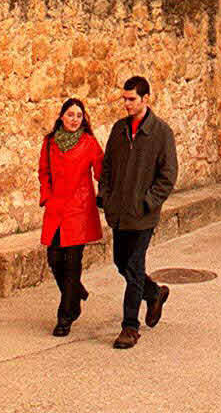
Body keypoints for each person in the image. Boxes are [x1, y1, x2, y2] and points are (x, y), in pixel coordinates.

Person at [98, 75, 178, 349]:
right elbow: (107, 168)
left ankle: (130, 327)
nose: (127, 104)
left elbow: (168, 176)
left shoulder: (161, 133)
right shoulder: (119, 130)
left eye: (132, 99)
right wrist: (107, 198)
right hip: (119, 213)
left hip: (143, 215)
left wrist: (147, 202)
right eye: (125, 99)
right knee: (121, 263)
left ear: (146, 99)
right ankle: (154, 292)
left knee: (134, 267)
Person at [38, 97, 104, 336]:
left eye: (79, 115)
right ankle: (75, 292)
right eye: (70, 114)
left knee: (73, 262)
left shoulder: (88, 143)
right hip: (56, 208)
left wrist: (107, 194)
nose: (75, 119)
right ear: (61, 117)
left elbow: (102, 171)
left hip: (79, 209)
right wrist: (46, 196)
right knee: (54, 258)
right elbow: (43, 172)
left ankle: (66, 316)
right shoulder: (49, 142)